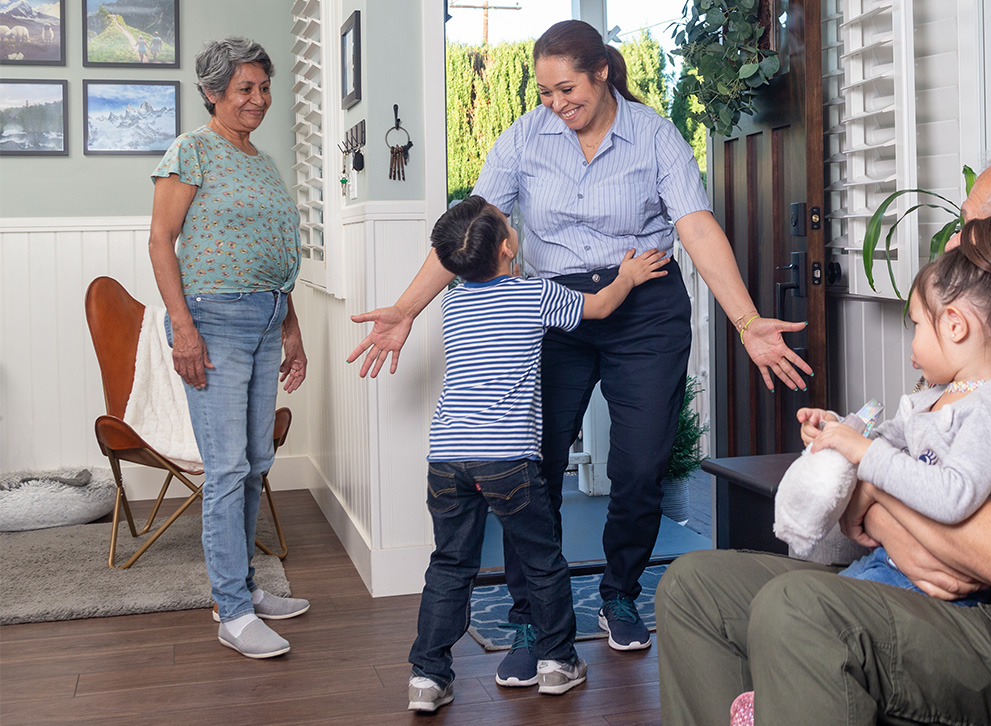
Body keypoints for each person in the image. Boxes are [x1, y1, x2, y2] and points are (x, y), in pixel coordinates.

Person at [656, 141, 991, 726]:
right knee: (693, 589)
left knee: (802, 608)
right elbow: (870, 488)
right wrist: (881, 498)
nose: (954, 248)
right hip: (961, 614)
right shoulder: (979, 360)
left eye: (969, 229)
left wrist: (882, 492)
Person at [348, 19, 812, 685]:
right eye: (543, 93)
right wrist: (404, 308)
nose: (556, 104)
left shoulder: (653, 135)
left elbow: (696, 225)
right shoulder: (525, 138)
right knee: (529, 466)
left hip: (645, 308)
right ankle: (532, 619)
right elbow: (474, 226)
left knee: (642, 462)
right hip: (554, 308)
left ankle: (620, 592)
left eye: (567, 89)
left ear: (601, 73)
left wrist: (744, 321)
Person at [404, 195, 669, 712]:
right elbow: (601, 306)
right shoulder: (534, 294)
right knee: (542, 558)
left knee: (450, 564)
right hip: (507, 458)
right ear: (509, 245)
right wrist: (630, 275)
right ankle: (557, 662)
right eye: (508, 222)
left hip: (448, 456)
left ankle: (427, 677)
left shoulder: (452, 302)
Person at [148, 36, 310, 660]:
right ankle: (232, 612)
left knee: (254, 461)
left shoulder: (261, 162)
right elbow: (162, 241)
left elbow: (277, 258)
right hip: (213, 321)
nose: (258, 99)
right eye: (244, 89)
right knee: (225, 469)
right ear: (213, 93)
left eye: (264, 88)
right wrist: (183, 328)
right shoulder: (192, 150)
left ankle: (240, 587)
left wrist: (291, 327)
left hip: (267, 318)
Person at [807, 216, 991, 605]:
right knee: (802, 608)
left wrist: (866, 455)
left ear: (954, 326)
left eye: (916, 325)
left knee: (810, 614)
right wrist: (840, 432)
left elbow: (954, 496)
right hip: (893, 563)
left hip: (946, 594)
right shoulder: (939, 395)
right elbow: (886, 438)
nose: (912, 346)